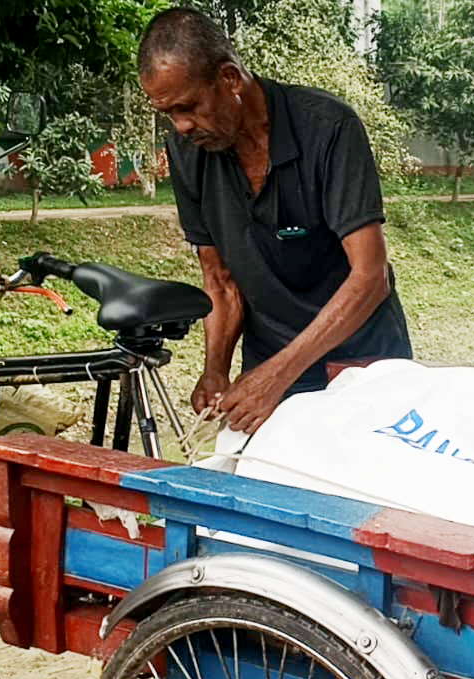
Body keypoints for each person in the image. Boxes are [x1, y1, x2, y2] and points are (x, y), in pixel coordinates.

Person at [137, 7, 412, 433]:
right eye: (169, 113)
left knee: (362, 492)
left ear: (229, 79)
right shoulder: (188, 152)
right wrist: (215, 369)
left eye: (188, 107)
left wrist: (278, 375)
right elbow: (222, 281)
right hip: (270, 361)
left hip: (360, 357)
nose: (182, 126)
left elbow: (369, 277)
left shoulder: (328, 128)